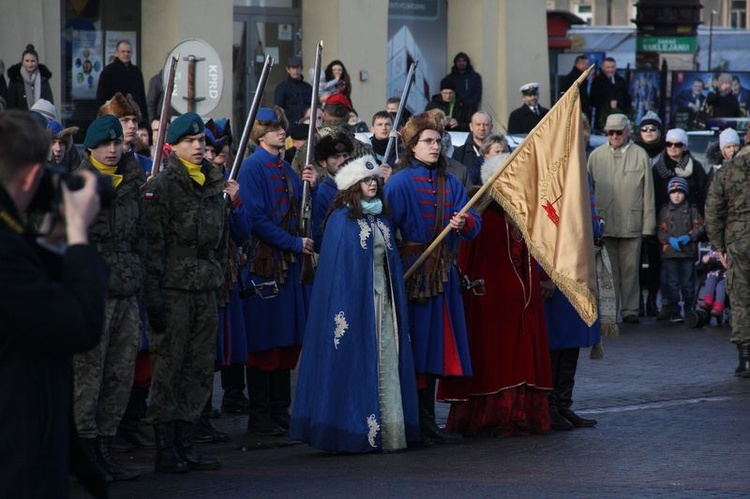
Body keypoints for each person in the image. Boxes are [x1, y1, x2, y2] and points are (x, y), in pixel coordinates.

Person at [0, 110, 108, 498]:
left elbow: (27, 298)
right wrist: (78, 235)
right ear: (31, 175)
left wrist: (50, 241)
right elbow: (79, 324)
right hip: (18, 455)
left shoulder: (11, 240)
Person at [290, 154, 421, 452]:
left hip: (382, 302)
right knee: (355, 360)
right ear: (353, 185)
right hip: (354, 306)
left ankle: (390, 429)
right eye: (365, 180)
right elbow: (339, 271)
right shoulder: (341, 221)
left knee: (386, 357)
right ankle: (351, 428)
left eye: (374, 179)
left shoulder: (382, 218)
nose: (372, 184)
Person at [384, 112, 481, 444]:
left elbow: (473, 225)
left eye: (438, 141)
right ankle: (417, 422)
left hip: (443, 275)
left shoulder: (451, 182)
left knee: (438, 349)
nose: (435, 146)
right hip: (414, 276)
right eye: (428, 141)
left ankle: (429, 422)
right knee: (417, 349)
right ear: (412, 146)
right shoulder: (397, 183)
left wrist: (463, 224)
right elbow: (385, 231)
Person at [440, 154, 552, 437]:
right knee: (496, 357)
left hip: (524, 301)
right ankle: (495, 416)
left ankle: (522, 414)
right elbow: (470, 259)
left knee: (523, 354)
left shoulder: (523, 215)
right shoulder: (481, 215)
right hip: (492, 301)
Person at [143, 112, 227, 473]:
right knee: (169, 367)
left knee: (198, 366)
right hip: (174, 287)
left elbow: (219, 238)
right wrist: (154, 298)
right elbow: (152, 246)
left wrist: (219, 274)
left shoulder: (212, 183)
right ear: (173, 147)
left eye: (203, 142)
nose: (198, 148)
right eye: (191, 142)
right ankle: (165, 447)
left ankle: (186, 441)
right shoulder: (162, 186)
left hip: (205, 285)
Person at [72, 115, 145, 481]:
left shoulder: (133, 180)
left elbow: (142, 234)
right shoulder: (78, 183)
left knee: (120, 374)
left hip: (128, 288)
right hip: (93, 290)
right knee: (88, 375)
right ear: (90, 148)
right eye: (105, 144)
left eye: (117, 143)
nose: (113, 150)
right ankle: (83, 455)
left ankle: (104, 448)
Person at [238, 107, 318, 437]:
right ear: (260, 134)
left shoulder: (285, 167)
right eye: (273, 128)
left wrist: (311, 186)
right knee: (264, 341)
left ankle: (278, 409)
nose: (280, 132)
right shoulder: (251, 167)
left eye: (281, 127)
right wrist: (293, 243)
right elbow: (256, 219)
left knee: (285, 340)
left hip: (288, 263)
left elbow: (301, 212)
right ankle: (259, 414)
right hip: (265, 262)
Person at [588, 113, 655, 324]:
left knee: (630, 270)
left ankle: (630, 310)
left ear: (627, 132)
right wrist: (589, 225)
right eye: (610, 132)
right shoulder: (596, 156)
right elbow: (587, 193)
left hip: (631, 223)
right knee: (608, 272)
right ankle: (610, 312)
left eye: (618, 132)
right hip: (604, 224)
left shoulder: (640, 155)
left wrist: (648, 226)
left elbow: (649, 193)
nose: (614, 136)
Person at [705, 141, 750, 377]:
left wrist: (718, 246)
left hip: (739, 241)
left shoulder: (728, 170)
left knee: (741, 298)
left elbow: (713, 210)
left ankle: (746, 359)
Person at [657, 177, 704, 322]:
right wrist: (668, 239)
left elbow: (700, 227)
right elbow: (659, 230)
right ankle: (674, 311)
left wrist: (690, 237)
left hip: (687, 254)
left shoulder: (692, 210)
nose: (676, 195)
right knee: (672, 283)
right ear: (669, 194)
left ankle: (689, 309)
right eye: (673, 192)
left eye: (680, 192)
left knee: (688, 284)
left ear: (685, 193)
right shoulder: (664, 211)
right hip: (670, 254)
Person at [311, 126, 353, 252]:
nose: (342, 161)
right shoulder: (321, 193)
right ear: (323, 162)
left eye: (345, 155)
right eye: (335, 157)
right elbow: (318, 239)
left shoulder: (357, 188)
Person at [98, 92, 152, 176]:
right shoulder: (98, 163)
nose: (132, 126)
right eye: (125, 120)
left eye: (134, 120)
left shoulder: (147, 164)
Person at [96, 41, 149, 125]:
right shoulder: (108, 72)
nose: (126, 54)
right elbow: (101, 98)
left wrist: (144, 119)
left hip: (134, 118)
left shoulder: (136, 72)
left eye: (128, 52)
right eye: (123, 51)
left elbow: (141, 97)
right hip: (115, 117)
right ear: (117, 53)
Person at [6, 44, 54, 111]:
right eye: (27, 61)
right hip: (20, 120)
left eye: (33, 61)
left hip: (39, 119)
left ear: (37, 62)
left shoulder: (43, 79)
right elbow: (10, 105)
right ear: (22, 62)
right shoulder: (15, 79)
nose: (30, 64)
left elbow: (49, 103)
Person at [589, 57, 630, 130]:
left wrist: (618, 104)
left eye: (612, 67)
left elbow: (627, 98)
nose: (610, 70)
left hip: (619, 118)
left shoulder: (621, 81)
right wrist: (608, 104)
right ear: (603, 67)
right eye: (608, 67)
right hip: (602, 120)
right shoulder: (597, 81)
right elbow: (592, 100)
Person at [452, 111, 493, 180]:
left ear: (491, 127)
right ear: (471, 126)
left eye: (486, 125)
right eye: (478, 124)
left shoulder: (502, 150)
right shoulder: (459, 152)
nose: (482, 128)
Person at [274, 56, 313, 126]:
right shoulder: (282, 87)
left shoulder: (308, 87)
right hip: (289, 126)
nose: (295, 71)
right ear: (288, 70)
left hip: (307, 125)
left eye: (298, 68)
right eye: (293, 68)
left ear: (301, 69)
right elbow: (278, 110)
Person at [698, 250, 727, 320]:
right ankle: (707, 301)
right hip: (714, 274)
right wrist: (704, 261)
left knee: (721, 286)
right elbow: (701, 264)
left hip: (726, 276)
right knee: (710, 280)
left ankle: (718, 307)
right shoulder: (713, 252)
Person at [560, 55, 591, 119]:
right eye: (586, 64)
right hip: (578, 111)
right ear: (579, 64)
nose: (588, 67)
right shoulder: (574, 78)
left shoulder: (580, 77)